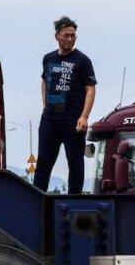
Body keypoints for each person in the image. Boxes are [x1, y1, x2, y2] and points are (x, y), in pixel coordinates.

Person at [34, 16, 96, 193]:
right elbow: (44, 81)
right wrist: (45, 105)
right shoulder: (48, 58)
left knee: (75, 163)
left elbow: (90, 89)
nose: (70, 39)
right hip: (50, 119)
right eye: (66, 35)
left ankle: (74, 199)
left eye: (73, 36)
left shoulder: (82, 60)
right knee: (44, 162)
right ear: (57, 36)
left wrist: (84, 117)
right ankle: (38, 200)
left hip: (73, 120)